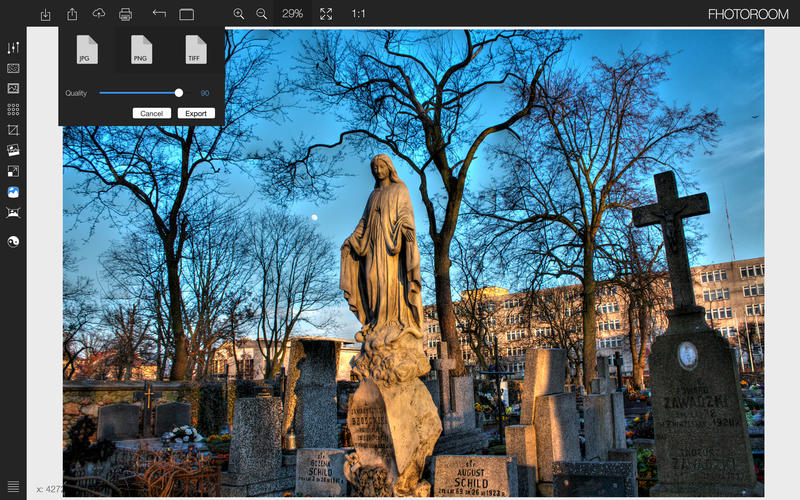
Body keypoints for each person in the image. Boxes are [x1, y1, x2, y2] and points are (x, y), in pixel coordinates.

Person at [340, 154, 428, 383]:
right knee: (371, 282)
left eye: (381, 166)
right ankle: (376, 324)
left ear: (389, 168)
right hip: (372, 246)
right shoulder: (373, 195)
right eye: (374, 167)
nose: (378, 170)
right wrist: (352, 239)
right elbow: (364, 222)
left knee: (388, 284)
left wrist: (406, 228)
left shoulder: (400, 189)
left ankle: (392, 324)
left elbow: (406, 213)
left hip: (392, 251)